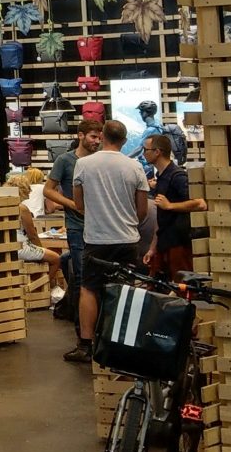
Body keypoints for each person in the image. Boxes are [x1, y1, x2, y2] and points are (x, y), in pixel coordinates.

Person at [68, 119, 150, 363]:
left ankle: (86, 345)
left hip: (96, 239)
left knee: (89, 289)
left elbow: (78, 203)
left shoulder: (83, 164)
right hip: (127, 239)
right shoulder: (135, 167)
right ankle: (124, 343)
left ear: (102, 136)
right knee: (125, 289)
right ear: (124, 141)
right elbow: (142, 210)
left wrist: (97, 215)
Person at [43, 119, 103, 346]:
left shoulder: (100, 160)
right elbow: (48, 190)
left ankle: (96, 332)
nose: (96, 141)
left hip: (100, 227)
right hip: (77, 227)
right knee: (80, 277)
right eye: (93, 136)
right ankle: (83, 336)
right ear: (81, 135)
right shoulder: (65, 160)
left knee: (96, 278)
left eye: (99, 137)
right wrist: (71, 204)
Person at [146, 132, 204, 278]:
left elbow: (200, 203)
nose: (143, 153)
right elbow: (160, 216)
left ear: (157, 152)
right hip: (165, 242)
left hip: (179, 243)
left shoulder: (177, 176)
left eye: (146, 150)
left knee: (182, 285)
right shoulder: (161, 177)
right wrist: (153, 248)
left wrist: (170, 206)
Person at [10, 169, 64, 305]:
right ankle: (41, 287)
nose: (30, 192)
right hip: (21, 247)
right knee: (56, 258)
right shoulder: (22, 208)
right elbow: (32, 235)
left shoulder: (6, 205)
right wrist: (41, 249)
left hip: (11, 247)